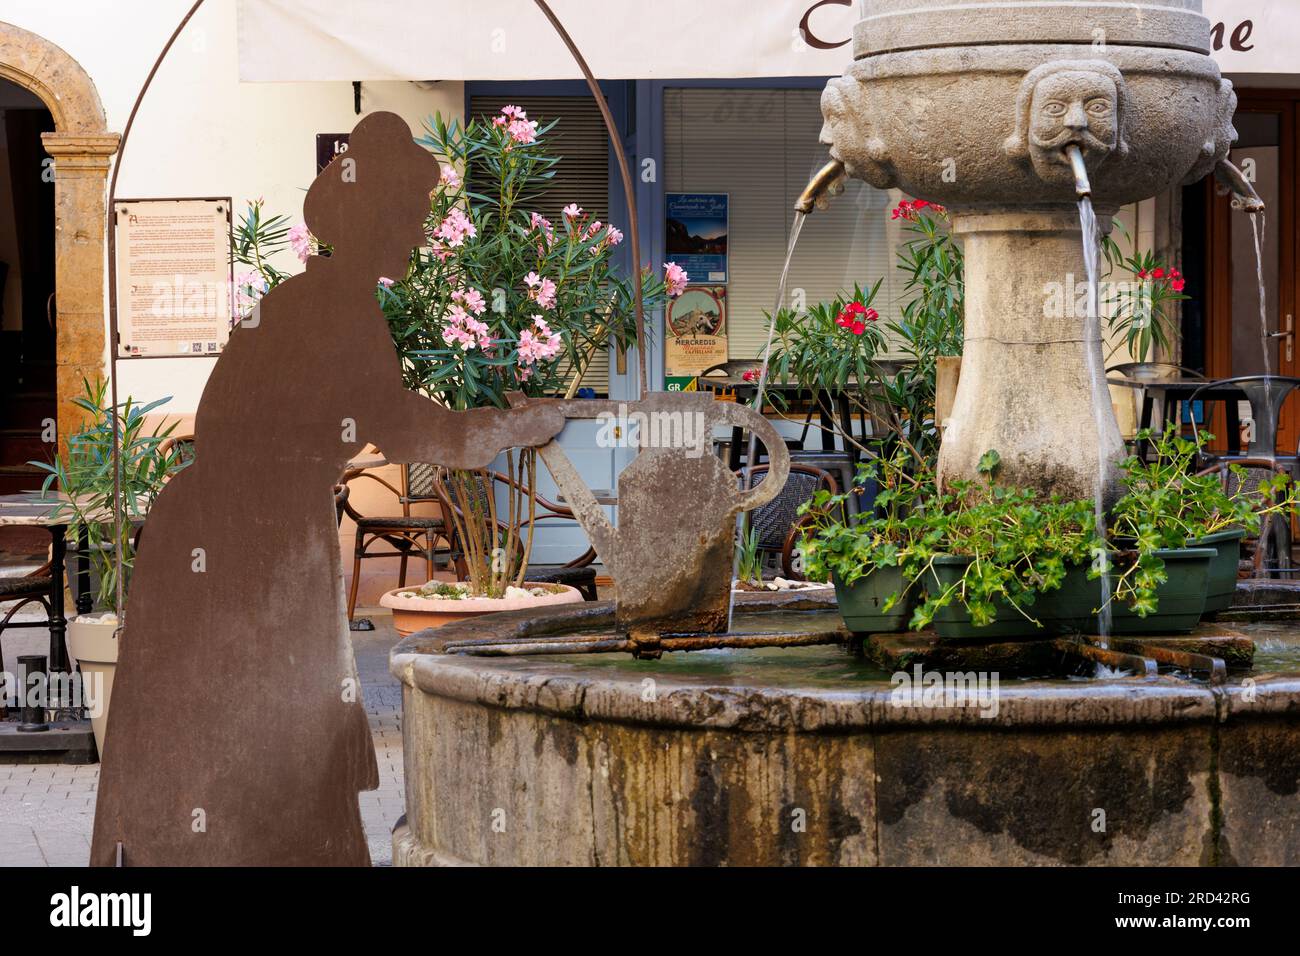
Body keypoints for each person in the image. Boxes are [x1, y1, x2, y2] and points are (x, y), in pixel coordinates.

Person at [91, 112, 562, 866]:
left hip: (236, 530)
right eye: (409, 218)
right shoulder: (336, 307)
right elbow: (410, 429)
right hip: (246, 541)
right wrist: (516, 428)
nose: (416, 235)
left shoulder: (311, 296)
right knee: (269, 733)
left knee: (252, 732)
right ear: (375, 218)